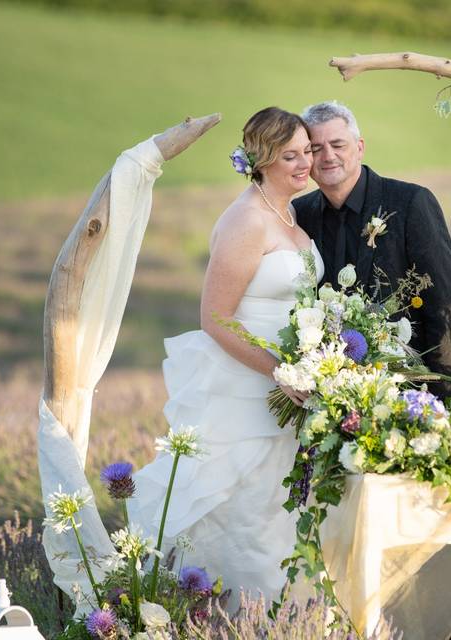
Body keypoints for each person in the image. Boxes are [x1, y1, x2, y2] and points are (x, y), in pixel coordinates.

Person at [128, 107, 322, 608]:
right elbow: (215, 318)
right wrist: (280, 371)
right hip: (249, 389)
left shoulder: (289, 211)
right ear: (260, 161)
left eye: (307, 152)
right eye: (290, 156)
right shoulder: (246, 220)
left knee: (279, 515)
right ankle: (231, 617)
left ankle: (279, 617)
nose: (305, 164)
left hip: (288, 391)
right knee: (246, 516)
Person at [293, 101, 451, 638]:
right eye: (314, 148)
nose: (327, 157)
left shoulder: (410, 203)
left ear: (359, 147)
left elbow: (442, 309)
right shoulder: (298, 215)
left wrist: (436, 402)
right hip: (336, 409)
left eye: (337, 144)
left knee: (427, 541)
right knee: (352, 541)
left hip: (412, 402)